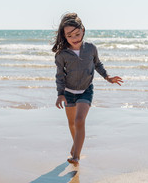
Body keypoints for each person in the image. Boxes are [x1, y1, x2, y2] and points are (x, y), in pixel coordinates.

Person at [52, 12, 123, 165]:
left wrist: (107, 77)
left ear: (83, 30)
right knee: (71, 123)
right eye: (70, 36)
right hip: (69, 93)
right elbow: (60, 76)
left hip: (86, 90)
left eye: (77, 34)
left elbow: (97, 64)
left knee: (79, 120)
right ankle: (75, 146)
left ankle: (76, 156)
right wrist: (60, 94)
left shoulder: (90, 48)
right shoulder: (62, 55)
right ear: (64, 37)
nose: (75, 38)